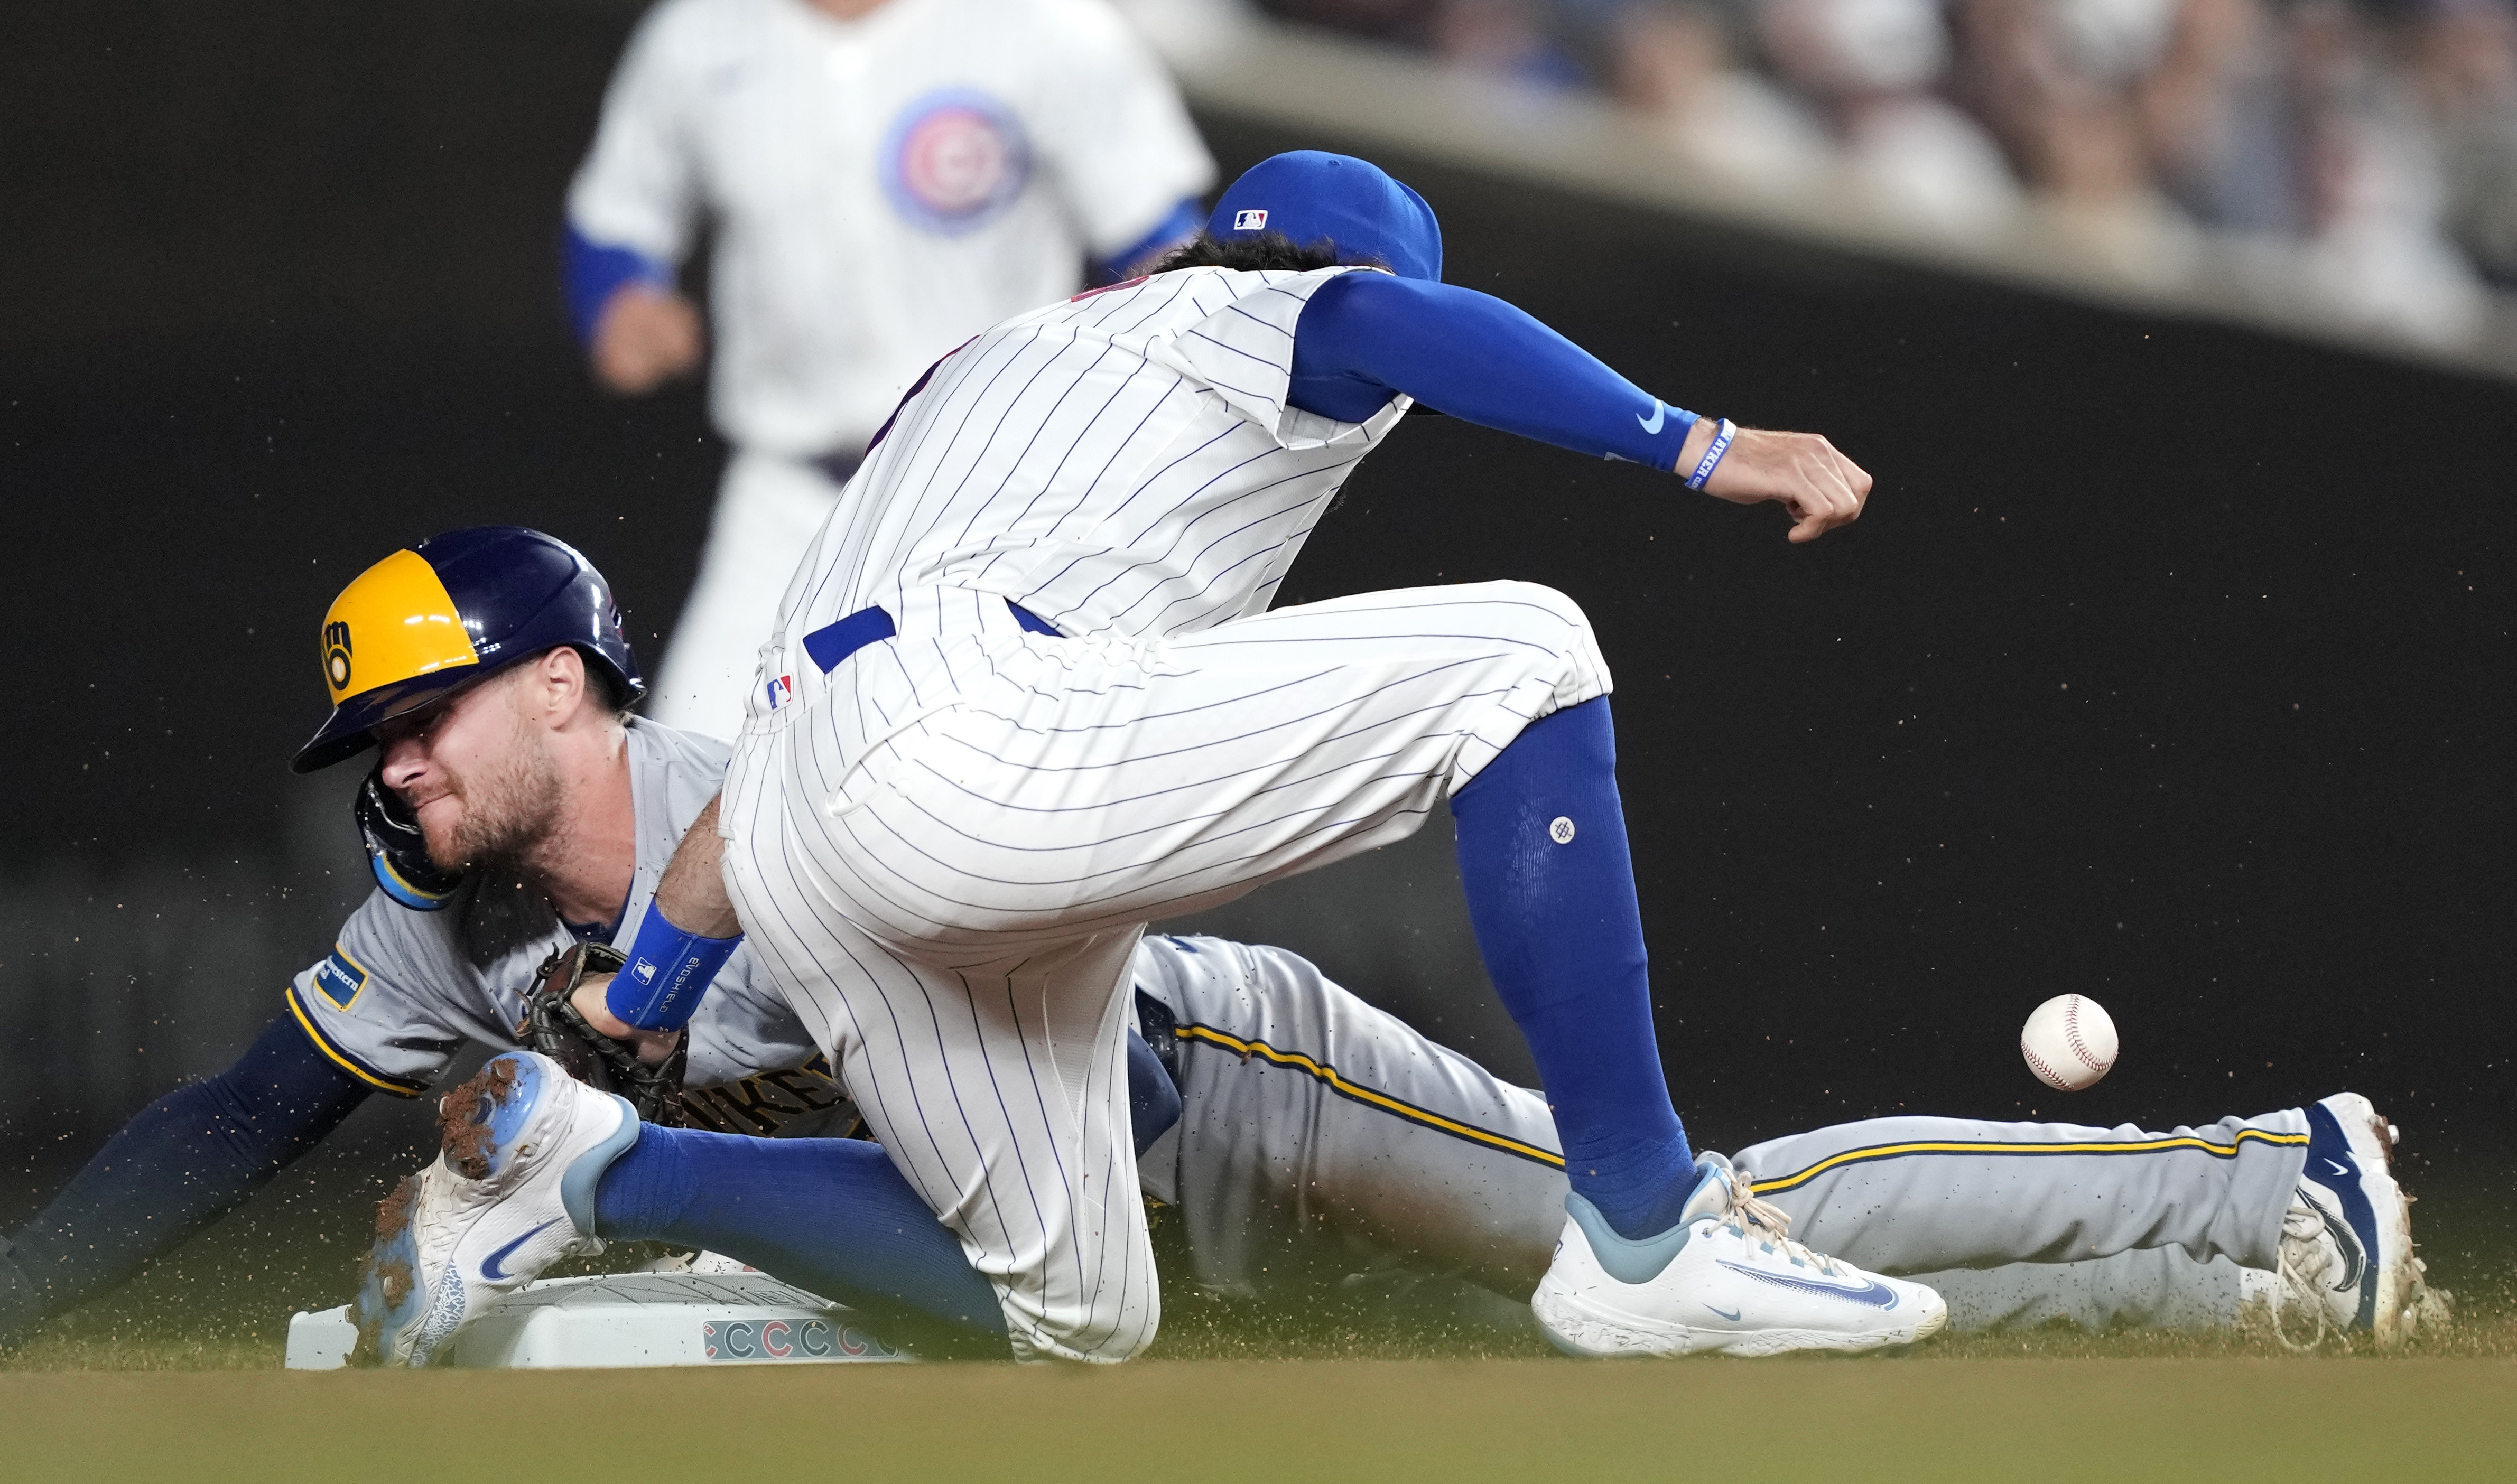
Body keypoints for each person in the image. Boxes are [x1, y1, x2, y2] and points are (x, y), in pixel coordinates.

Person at [405, 151, 2422, 1365]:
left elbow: (779, 791)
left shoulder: (989, 387)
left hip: (831, 817)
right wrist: (1707, 445)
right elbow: (1397, 329)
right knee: (1524, 645)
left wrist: (637, 1005)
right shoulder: (1241, 321)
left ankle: (602, 1177)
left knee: (1073, 1321)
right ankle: (1647, 1238)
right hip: (972, 755)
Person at [0, 530, 2435, 1358]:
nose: (394, 769)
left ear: (559, 682)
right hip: (1083, 1218)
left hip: (1221, 1084)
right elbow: (242, 1106)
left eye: (421, 718)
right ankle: (2226, 1290)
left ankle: (2262, 1170)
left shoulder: (791, 799)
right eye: (371, 748)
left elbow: (1119, 1105)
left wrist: (637, 1178)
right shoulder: (442, 923)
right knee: (1665, 1368)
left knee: (1694, 1232)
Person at [565, 0, 1216, 741]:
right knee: (695, 765)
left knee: (1007, 784)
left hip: (1002, 497)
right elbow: (616, 217)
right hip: (793, 500)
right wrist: (619, 300)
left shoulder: (1047, 25)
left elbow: (1158, 238)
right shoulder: (702, 31)